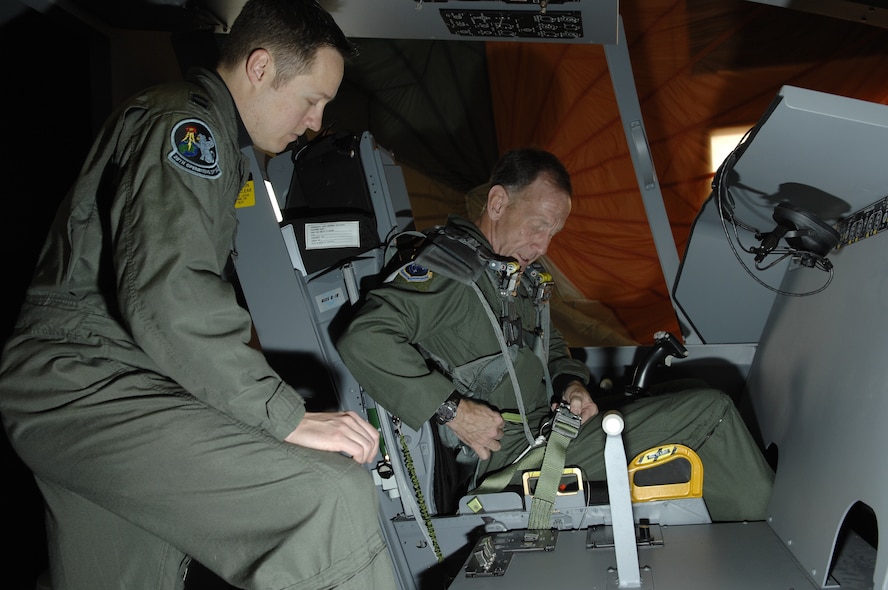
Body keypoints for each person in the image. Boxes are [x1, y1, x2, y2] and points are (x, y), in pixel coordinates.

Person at [0, 1, 396, 588]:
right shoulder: (189, 129)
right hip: (88, 377)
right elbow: (171, 293)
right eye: (313, 99)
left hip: (93, 375)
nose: (316, 122)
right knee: (330, 498)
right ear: (260, 68)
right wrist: (284, 415)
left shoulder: (210, 139)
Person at [336, 147, 774, 522]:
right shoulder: (452, 274)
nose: (544, 246)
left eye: (553, 233)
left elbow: (552, 348)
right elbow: (364, 336)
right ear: (497, 203)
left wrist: (572, 383)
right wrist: (453, 411)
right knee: (710, 412)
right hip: (514, 459)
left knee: (692, 387)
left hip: (549, 429)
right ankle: (775, 543)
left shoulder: (514, 276)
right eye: (537, 226)